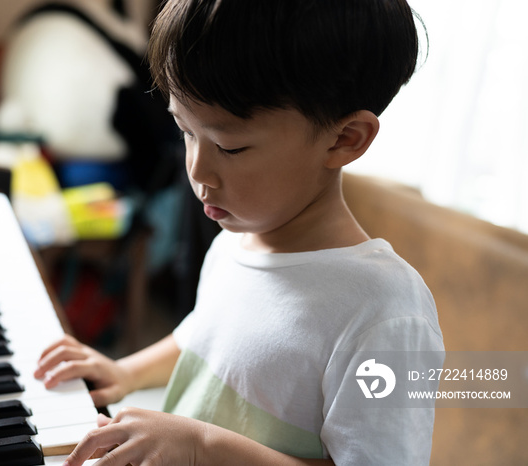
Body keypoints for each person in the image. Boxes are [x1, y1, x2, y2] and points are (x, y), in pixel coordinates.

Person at [34, 0, 444, 464]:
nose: (197, 169)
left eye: (230, 147)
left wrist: (201, 446)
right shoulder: (236, 241)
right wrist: (124, 372)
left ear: (344, 138)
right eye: (184, 130)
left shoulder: (384, 314)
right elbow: (207, 338)